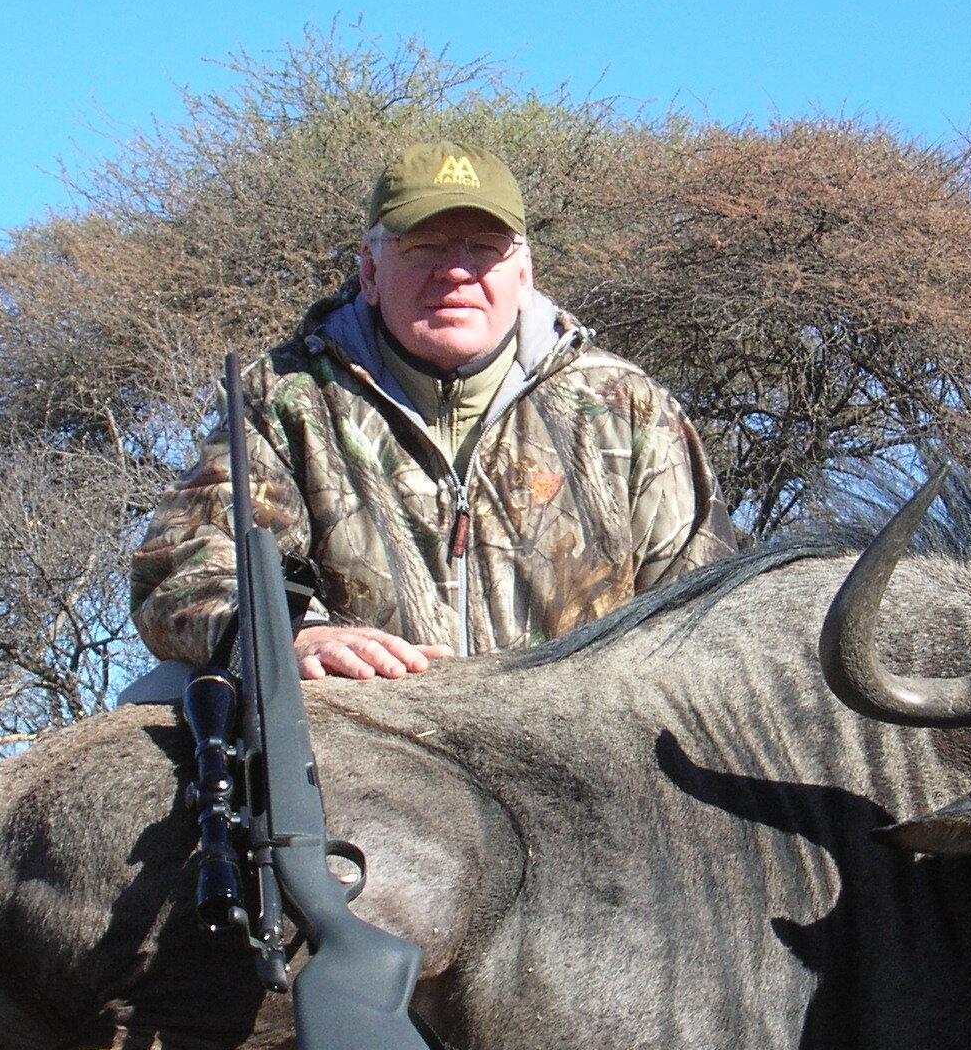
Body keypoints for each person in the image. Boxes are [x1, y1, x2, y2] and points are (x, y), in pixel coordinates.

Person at [128, 140, 735, 685]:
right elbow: (186, 567)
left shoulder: (625, 406)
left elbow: (708, 608)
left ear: (523, 274)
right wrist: (294, 638)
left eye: (485, 248)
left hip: (580, 758)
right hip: (372, 757)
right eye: (423, 247)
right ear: (369, 271)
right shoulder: (287, 396)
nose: (456, 272)